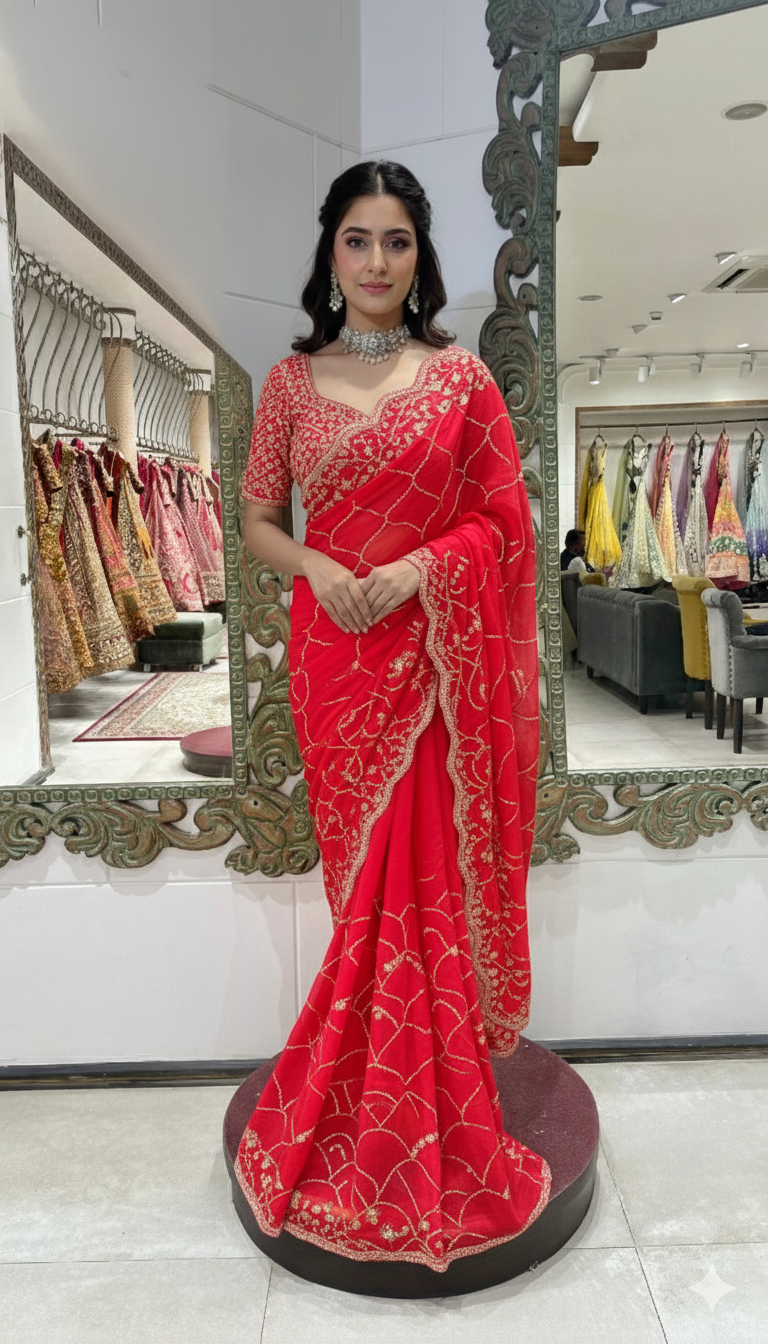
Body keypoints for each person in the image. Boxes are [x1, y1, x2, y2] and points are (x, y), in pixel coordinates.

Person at [237, 160, 550, 1272]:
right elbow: (259, 518)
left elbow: (506, 529)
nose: (377, 263)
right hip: (337, 659)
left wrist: (424, 568)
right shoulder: (289, 384)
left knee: (421, 888)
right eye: (359, 240)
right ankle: (354, 1095)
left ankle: (432, 1115)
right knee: (358, 889)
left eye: (398, 242)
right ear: (331, 250)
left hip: (430, 663)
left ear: (421, 256)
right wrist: (319, 568)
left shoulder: (460, 382)